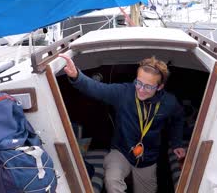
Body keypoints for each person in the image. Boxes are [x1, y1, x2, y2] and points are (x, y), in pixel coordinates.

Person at [59, 54, 185, 193]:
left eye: (148, 87)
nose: (141, 90)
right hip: (121, 151)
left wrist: (177, 143)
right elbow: (97, 88)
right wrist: (76, 75)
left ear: (160, 87)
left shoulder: (169, 102)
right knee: (112, 180)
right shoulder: (124, 92)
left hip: (148, 157)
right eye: (139, 83)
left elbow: (178, 118)